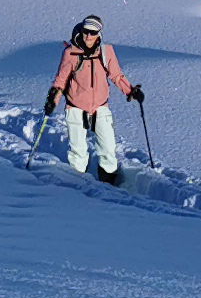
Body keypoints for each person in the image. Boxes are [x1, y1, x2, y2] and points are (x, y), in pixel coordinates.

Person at [42, 16, 142, 186]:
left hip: (100, 107)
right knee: (78, 151)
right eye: (86, 31)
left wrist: (131, 91)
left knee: (108, 149)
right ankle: (78, 185)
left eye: (92, 32)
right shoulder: (70, 53)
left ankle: (109, 182)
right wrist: (53, 100)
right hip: (75, 107)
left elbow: (116, 75)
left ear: (98, 34)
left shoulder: (106, 52)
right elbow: (61, 81)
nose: (88, 36)